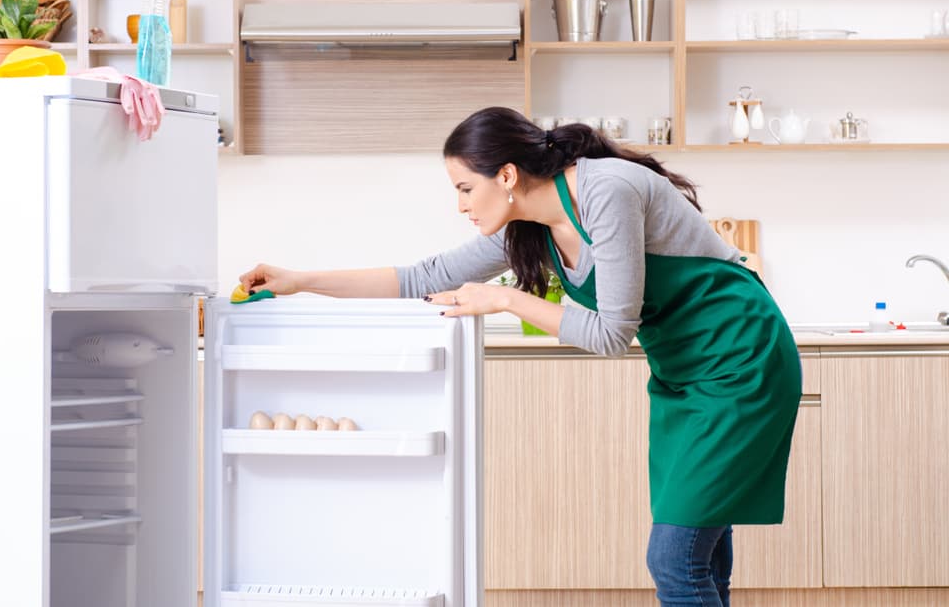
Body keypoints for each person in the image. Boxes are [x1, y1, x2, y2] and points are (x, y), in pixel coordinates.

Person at [239, 106, 802, 607]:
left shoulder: (605, 192)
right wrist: (301, 280)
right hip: (683, 375)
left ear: (506, 176)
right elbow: (422, 277)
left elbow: (611, 334)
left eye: (464, 188)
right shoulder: (528, 227)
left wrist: (506, 299)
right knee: (701, 559)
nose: (459, 204)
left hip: (742, 363)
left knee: (674, 562)